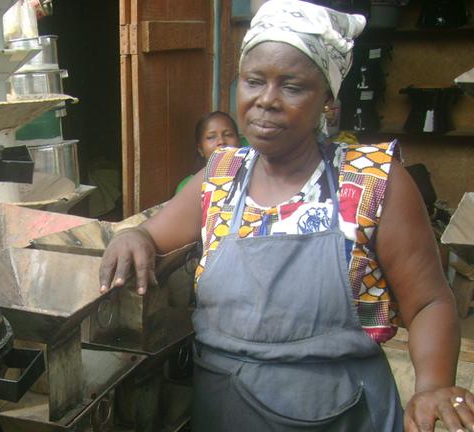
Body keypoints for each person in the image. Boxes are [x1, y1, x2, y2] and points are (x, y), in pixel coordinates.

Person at [99, 1, 473, 431]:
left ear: (327, 99)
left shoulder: (370, 180)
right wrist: (132, 238)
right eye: (254, 81)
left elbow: (428, 301)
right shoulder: (221, 175)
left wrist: (432, 385)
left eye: (291, 87)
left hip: (339, 412)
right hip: (224, 409)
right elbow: (151, 236)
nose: (266, 101)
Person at [176, 111, 240, 194]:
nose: (221, 141)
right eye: (211, 137)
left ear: (238, 141)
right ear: (200, 149)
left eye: (228, 134)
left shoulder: (253, 177)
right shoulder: (188, 187)